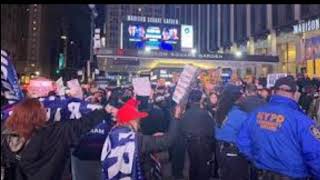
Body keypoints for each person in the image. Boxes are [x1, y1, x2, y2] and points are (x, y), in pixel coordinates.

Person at [1, 98, 108, 180]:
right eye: (43, 109)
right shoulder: (56, 132)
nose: (46, 110)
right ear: (37, 115)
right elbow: (82, 124)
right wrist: (104, 111)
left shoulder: (7, 138)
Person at [237, 77, 320, 179]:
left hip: (262, 173)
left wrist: (256, 159)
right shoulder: (302, 120)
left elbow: (242, 141)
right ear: (295, 94)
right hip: (292, 175)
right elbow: (315, 154)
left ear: (274, 91)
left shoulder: (256, 113)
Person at [101, 98, 180, 180]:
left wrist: (151, 137)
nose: (139, 123)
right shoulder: (137, 140)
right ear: (130, 121)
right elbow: (168, 141)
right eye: (137, 120)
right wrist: (176, 117)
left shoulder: (112, 134)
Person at [214, 84, 249, 180]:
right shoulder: (240, 114)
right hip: (233, 152)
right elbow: (247, 136)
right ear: (237, 98)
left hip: (220, 151)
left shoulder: (220, 111)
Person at [180, 89, 215, 180]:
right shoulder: (205, 113)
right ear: (200, 100)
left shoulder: (185, 114)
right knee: (203, 168)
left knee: (193, 166)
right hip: (203, 144)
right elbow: (211, 131)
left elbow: (182, 129)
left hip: (190, 143)